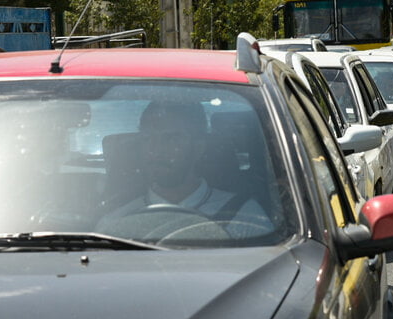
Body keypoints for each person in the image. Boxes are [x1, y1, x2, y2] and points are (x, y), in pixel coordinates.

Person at [96, 100, 273, 241]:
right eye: (147, 138)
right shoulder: (114, 225)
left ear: (198, 147)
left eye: (172, 139)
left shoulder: (242, 218)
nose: (156, 150)